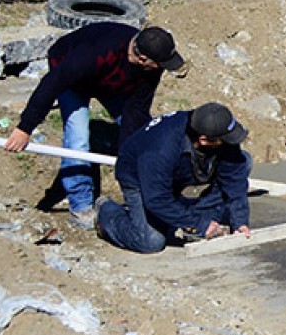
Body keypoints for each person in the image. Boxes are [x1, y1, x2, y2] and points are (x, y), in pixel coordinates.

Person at [5, 23, 186, 228]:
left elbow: (136, 111)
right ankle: (80, 206)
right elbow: (52, 84)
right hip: (71, 77)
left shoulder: (151, 67)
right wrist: (24, 128)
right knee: (78, 137)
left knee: (142, 135)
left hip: (109, 81)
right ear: (143, 58)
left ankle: (148, 191)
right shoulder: (95, 53)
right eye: (161, 64)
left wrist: (127, 158)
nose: (162, 68)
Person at [97, 103, 252, 254]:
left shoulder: (213, 127)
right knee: (150, 241)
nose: (231, 141)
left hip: (177, 170)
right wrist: (199, 224)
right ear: (204, 140)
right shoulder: (160, 149)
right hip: (138, 177)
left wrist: (240, 222)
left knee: (243, 161)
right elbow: (156, 199)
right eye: (225, 139)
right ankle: (106, 210)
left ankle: (190, 214)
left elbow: (234, 179)